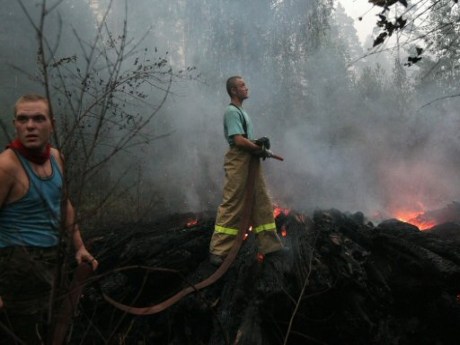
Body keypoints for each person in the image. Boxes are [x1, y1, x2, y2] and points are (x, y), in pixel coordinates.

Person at [0, 94, 98, 344]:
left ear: (51, 124)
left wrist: (80, 247)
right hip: (17, 271)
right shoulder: (6, 167)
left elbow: (63, 203)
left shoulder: (56, 158)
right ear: (15, 124)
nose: (30, 125)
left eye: (38, 118)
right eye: (23, 119)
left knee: (57, 332)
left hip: (55, 262)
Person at [209, 76, 284, 266]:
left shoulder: (242, 112)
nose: (246, 88)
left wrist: (259, 143)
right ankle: (218, 250)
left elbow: (246, 139)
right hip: (239, 160)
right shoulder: (231, 112)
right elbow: (239, 140)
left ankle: (270, 246)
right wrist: (258, 148)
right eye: (242, 85)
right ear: (233, 91)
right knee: (233, 201)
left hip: (250, 161)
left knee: (262, 200)